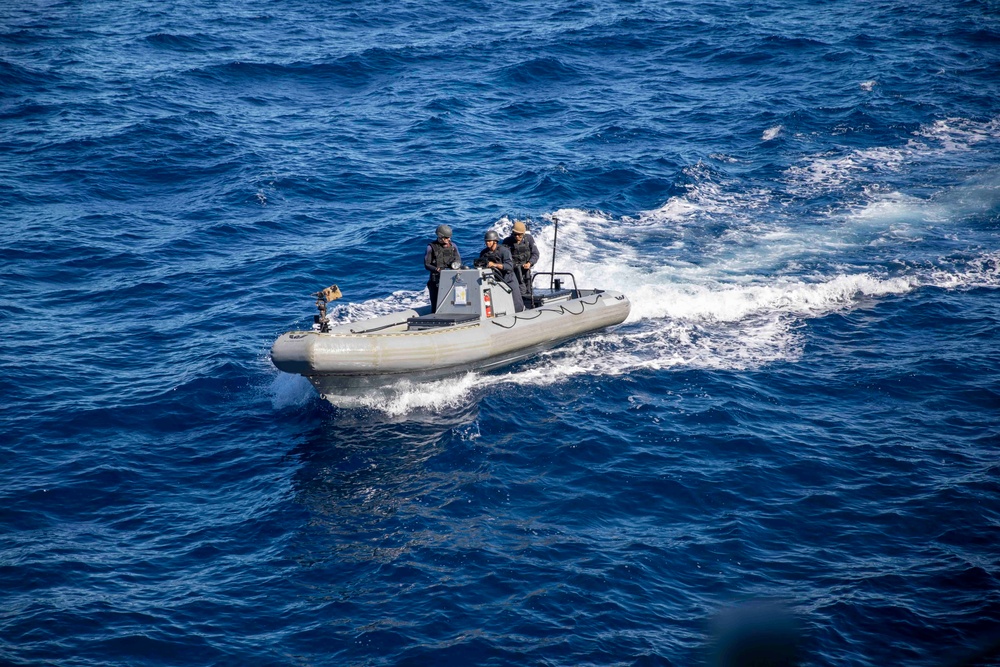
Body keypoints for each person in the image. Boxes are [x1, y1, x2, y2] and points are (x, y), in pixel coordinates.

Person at [477, 230, 524, 313]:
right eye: (486, 241)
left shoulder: (504, 251)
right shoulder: (484, 253)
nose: (487, 243)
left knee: (516, 303)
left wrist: (494, 265)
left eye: (489, 241)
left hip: (508, 279)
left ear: (495, 241)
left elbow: (509, 266)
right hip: (494, 280)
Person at [424, 224, 460, 312]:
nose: (449, 240)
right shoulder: (431, 248)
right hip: (436, 279)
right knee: (435, 304)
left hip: (451, 278)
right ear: (441, 237)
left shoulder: (453, 246)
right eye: (447, 238)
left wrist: (455, 265)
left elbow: (458, 260)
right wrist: (436, 269)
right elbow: (427, 264)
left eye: (449, 238)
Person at [502, 219, 540, 298]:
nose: (517, 237)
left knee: (528, 291)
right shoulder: (507, 242)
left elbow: (535, 254)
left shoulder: (529, 239)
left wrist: (530, 263)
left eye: (519, 235)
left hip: (526, 270)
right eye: (515, 234)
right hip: (513, 271)